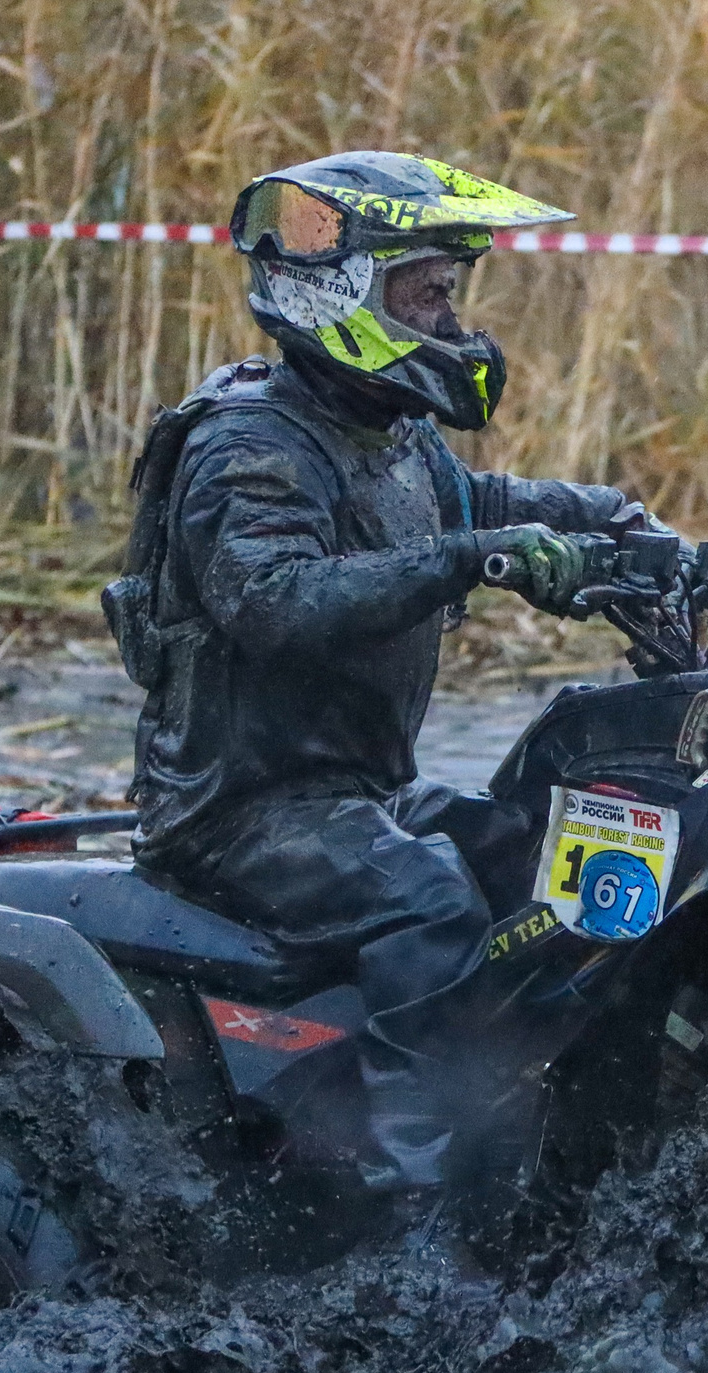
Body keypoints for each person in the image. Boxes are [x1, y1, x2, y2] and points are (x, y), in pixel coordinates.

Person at [115, 151, 631, 1192]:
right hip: (244, 809)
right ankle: (407, 1193)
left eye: (450, 295)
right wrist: (469, 559)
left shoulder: (380, 429)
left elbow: (474, 505)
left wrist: (607, 522)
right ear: (345, 292)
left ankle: (547, 1136)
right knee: (429, 905)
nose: (450, 322)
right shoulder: (250, 444)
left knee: (539, 849)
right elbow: (273, 597)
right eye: (427, 294)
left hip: (355, 789)